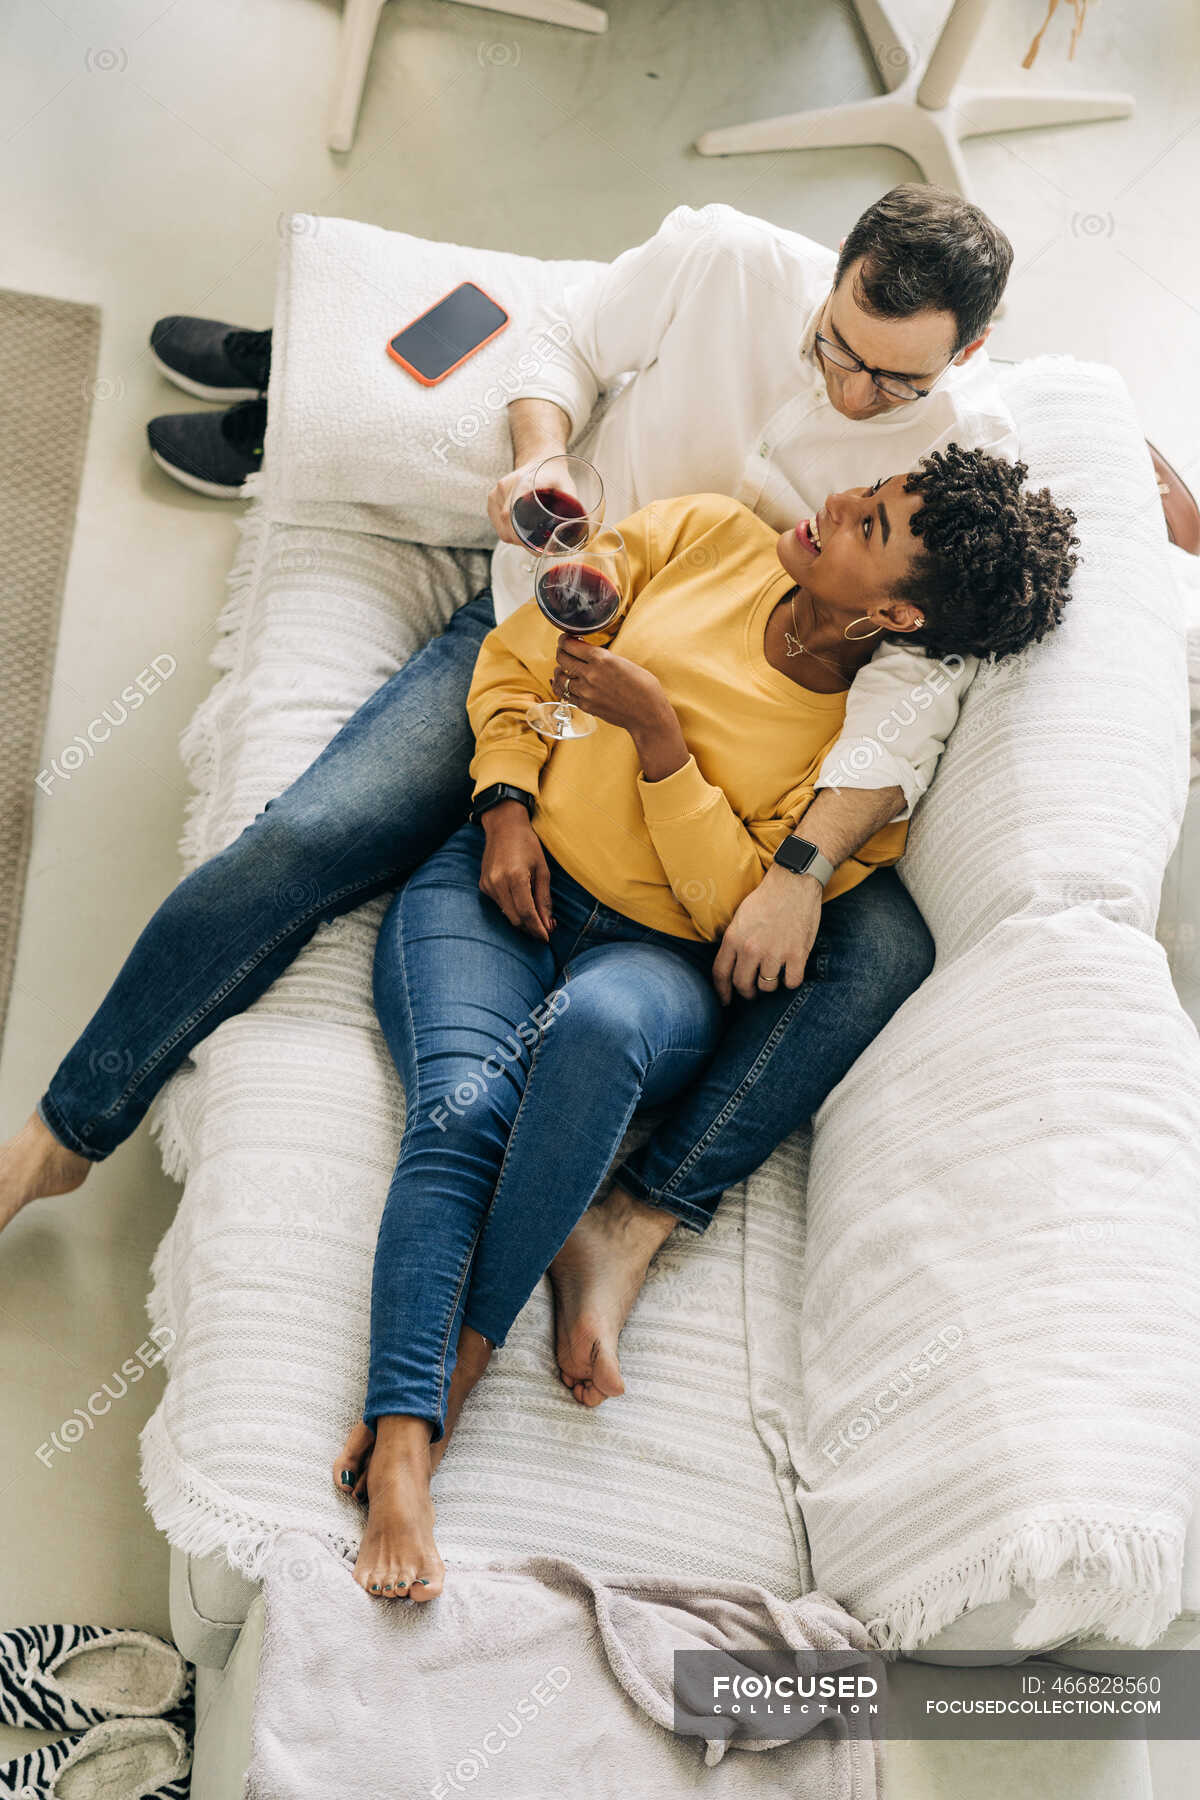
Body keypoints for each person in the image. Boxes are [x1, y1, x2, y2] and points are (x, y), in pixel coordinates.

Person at [0, 187, 1014, 1391]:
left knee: (883, 938)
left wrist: (798, 871)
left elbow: (922, 685)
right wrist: (539, 456)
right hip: (551, 631)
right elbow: (563, 341)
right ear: (833, 272)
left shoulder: (962, 459)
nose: (853, 394)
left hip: (713, 730)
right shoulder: (723, 260)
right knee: (313, 835)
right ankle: (57, 1139)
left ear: (968, 355)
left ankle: (635, 1218)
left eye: (893, 385)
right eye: (837, 348)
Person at [335, 451, 1079, 1601]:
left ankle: (459, 1365)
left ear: (892, 610)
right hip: (497, 882)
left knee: (596, 1025)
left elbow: (730, 911)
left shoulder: (864, 763)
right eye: (867, 485)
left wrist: (659, 737)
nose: (833, 498)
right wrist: (505, 805)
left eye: (868, 521)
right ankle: (399, 1441)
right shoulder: (709, 535)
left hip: (656, 961)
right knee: (462, 1108)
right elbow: (529, 660)